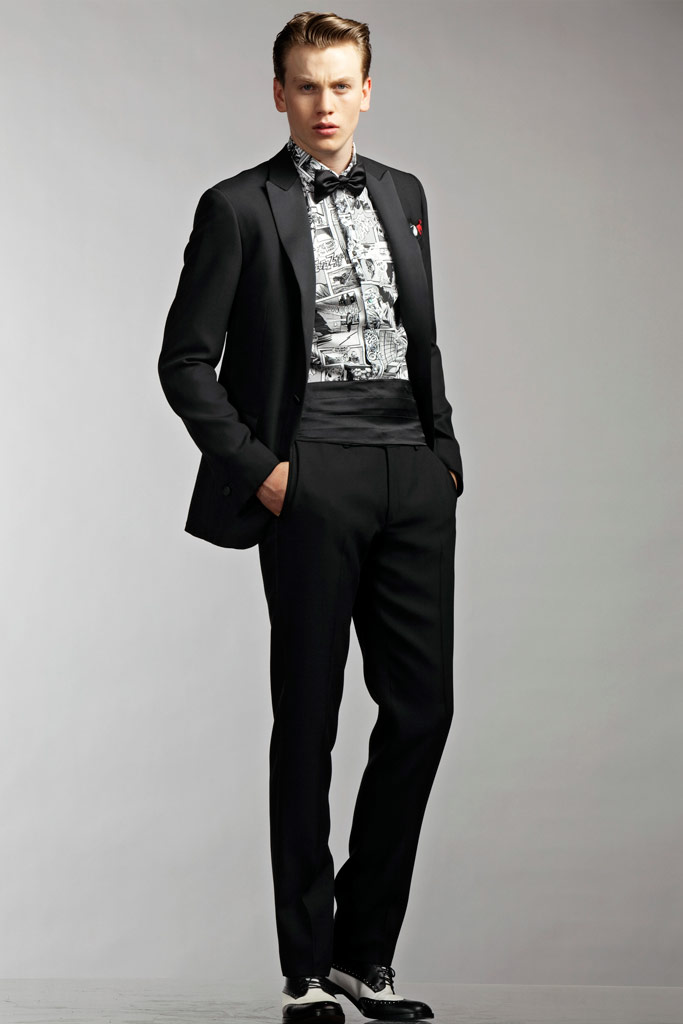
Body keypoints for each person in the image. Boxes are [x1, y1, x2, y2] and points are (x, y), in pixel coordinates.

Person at [158, 11, 464, 1023]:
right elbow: (184, 360)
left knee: (421, 712)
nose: (324, 105)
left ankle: (363, 954)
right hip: (309, 470)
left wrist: (442, 451)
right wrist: (264, 472)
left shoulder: (406, 194)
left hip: (410, 470)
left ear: (366, 90)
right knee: (310, 717)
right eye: (305, 86)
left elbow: (418, 334)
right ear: (278, 93)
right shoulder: (236, 206)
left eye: (340, 85)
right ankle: (305, 966)